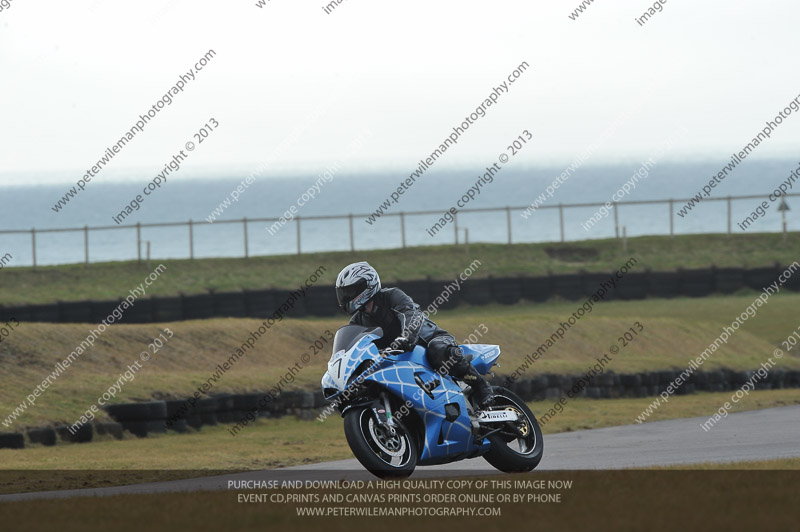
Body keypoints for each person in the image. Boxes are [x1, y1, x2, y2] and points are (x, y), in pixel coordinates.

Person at [335, 261, 494, 408]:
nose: (346, 296)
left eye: (350, 290)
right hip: (398, 358)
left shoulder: (391, 296)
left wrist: (406, 337)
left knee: (438, 350)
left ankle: (480, 385)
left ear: (367, 285)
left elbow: (411, 315)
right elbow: (355, 347)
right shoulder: (357, 321)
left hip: (427, 341)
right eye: (344, 292)